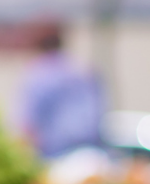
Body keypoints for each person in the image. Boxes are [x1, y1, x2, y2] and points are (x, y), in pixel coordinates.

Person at [15, 21, 103, 157]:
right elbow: (100, 112)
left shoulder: (37, 73)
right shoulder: (83, 69)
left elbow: (28, 123)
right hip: (90, 151)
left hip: (53, 155)